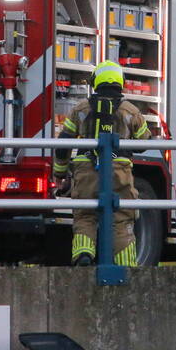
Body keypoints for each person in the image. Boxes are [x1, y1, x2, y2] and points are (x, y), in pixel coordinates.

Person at [52, 60, 151, 266]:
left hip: (85, 171)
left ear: (95, 82)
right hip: (119, 172)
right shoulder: (130, 111)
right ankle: (125, 268)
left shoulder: (80, 109)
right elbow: (144, 144)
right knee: (122, 218)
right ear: (120, 82)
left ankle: (84, 256)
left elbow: (63, 144)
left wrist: (60, 174)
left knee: (85, 216)